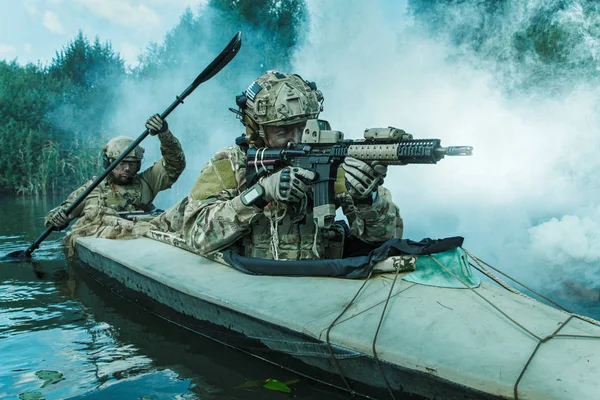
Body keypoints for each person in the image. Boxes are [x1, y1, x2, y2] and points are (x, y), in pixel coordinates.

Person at [182, 70, 402, 260]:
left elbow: (387, 237)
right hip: (249, 285)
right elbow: (196, 236)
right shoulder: (230, 164)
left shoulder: (332, 161)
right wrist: (262, 191)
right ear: (258, 130)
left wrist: (368, 200)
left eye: (304, 127)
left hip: (319, 283)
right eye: (283, 131)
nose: (296, 139)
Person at [45, 114, 186, 230]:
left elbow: (175, 164)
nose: (127, 169)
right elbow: (56, 215)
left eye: (133, 164)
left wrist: (164, 134)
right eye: (122, 163)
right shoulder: (91, 190)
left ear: (138, 165)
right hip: (106, 242)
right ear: (109, 163)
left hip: (144, 234)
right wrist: (58, 219)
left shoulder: (148, 181)